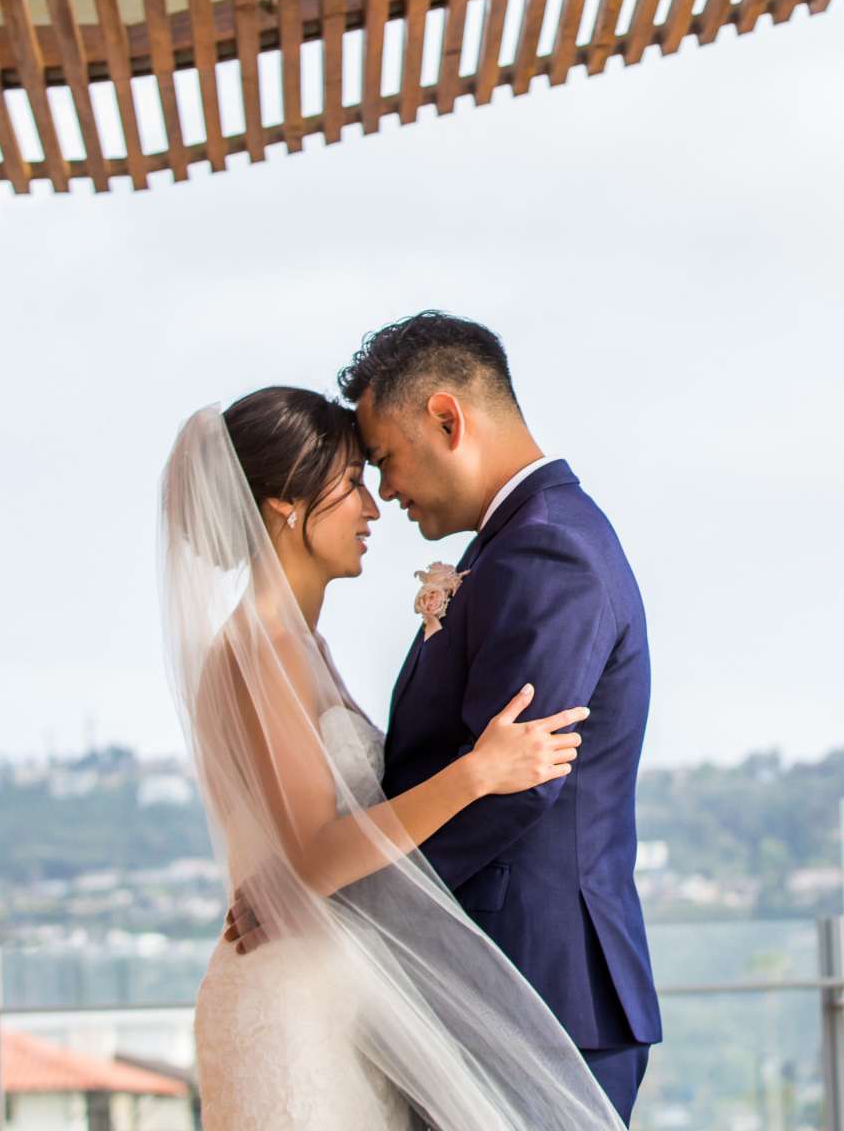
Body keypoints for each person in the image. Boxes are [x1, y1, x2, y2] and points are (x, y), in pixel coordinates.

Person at [164, 387, 622, 1130]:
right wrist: (478, 773)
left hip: (340, 997)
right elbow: (313, 857)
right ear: (286, 504)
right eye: (350, 485)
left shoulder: (299, 647)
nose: (373, 509)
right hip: (290, 1007)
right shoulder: (260, 649)